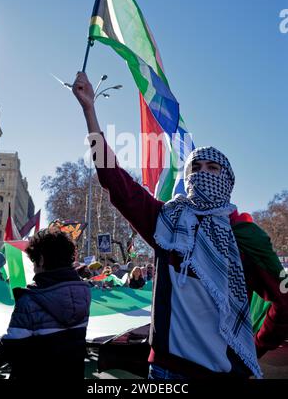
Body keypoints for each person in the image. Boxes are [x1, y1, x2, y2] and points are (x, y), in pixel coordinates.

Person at [73, 72, 288, 380]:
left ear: (226, 180)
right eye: (195, 169)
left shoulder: (246, 236)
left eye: (212, 168)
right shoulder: (167, 222)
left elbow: (284, 302)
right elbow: (115, 181)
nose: (202, 174)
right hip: (164, 371)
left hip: (224, 372)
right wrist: (89, 112)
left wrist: (254, 346)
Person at [0, 228, 91, 381]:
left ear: (41, 260)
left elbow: (11, 349)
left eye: (34, 261)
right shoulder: (84, 293)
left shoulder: (29, 299)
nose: (34, 267)